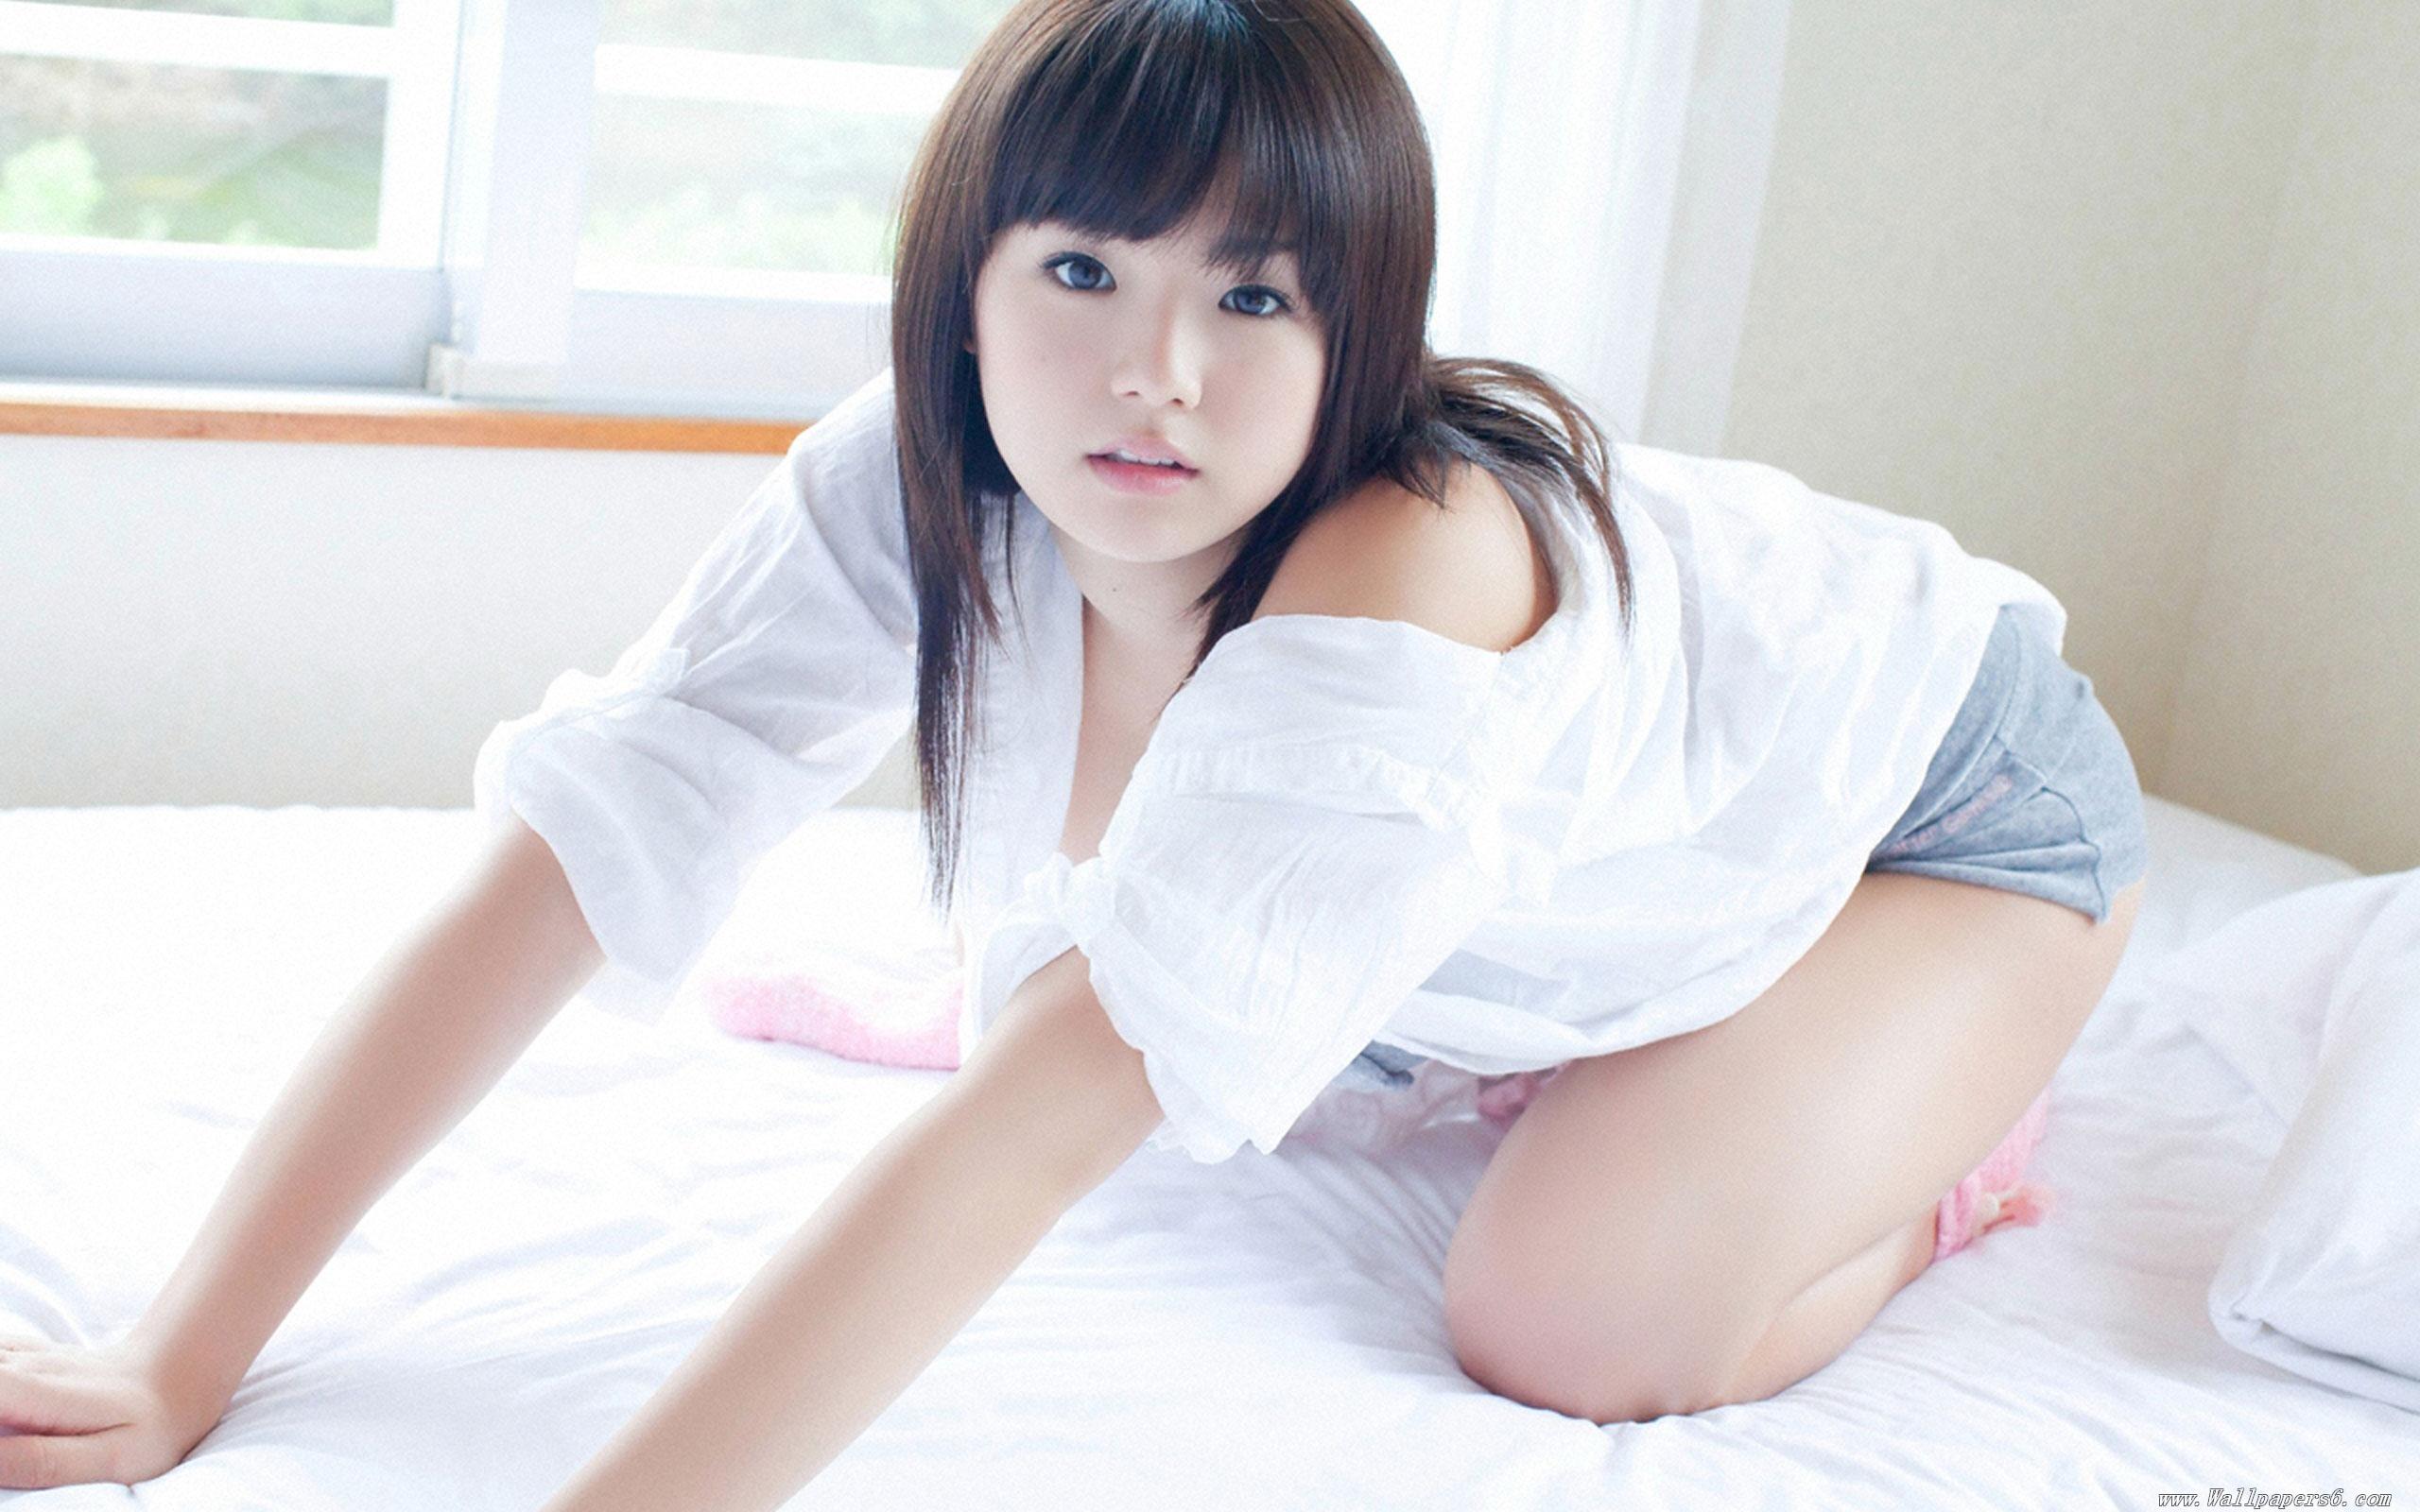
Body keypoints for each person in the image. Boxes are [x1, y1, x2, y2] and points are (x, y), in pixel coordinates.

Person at [0, 0, 2151, 1501]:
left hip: (1935, 821)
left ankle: (1933, 1149)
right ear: (962, 280)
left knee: (1563, 1330)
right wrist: (179, 1352)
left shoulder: (1403, 568)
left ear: (1362, 334)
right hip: (1631, 813)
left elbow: (1039, 1119)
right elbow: (577, 850)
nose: (1156, 372)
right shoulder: (915, 474)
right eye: (1083, 267)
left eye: (1257, 296)